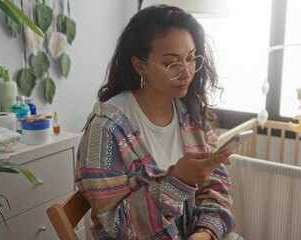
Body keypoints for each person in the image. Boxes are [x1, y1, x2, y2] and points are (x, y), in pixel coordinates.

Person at [76, 5, 241, 240]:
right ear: (139, 65)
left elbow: (218, 186)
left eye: (191, 59)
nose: (186, 73)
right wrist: (177, 182)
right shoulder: (106, 128)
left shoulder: (191, 114)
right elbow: (115, 224)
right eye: (171, 63)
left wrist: (205, 233)